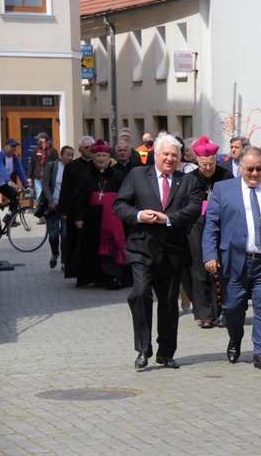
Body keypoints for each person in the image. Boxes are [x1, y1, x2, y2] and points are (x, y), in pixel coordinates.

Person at [113, 134, 203, 369]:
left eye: (175, 155)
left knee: (168, 302)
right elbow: (120, 204)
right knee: (141, 293)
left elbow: (194, 209)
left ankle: (166, 352)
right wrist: (139, 215)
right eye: (166, 154)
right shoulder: (138, 175)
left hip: (172, 252)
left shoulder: (189, 181)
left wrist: (169, 218)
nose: (170, 158)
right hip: (142, 248)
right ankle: (143, 349)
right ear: (156, 155)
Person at [203, 146, 261, 368]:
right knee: (232, 308)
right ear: (241, 168)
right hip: (234, 260)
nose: (255, 174)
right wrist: (210, 254)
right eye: (250, 170)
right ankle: (235, 339)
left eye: (259, 169)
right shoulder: (223, 189)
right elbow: (212, 224)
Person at [186, 136, 233, 328]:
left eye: (211, 164)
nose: (207, 168)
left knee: (220, 269)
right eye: (204, 164)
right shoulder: (190, 179)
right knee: (199, 270)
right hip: (196, 227)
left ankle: (222, 311)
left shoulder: (226, 176)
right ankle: (205, 314)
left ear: (216, 160)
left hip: (221, 226)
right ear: (197, 162)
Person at [68, 139, 128, 289]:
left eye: (104, 156)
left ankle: (114, 276)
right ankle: (97, 277)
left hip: (115, 220)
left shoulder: (118, 176)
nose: (101, 159)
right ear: (93, 158)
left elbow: (128, 197)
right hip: (92, 220)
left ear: (109, 159)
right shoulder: (86, 176)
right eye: (98, 156)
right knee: (94, 248)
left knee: (114, 248)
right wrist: (79, 218)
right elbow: (78, 200)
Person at [40, 145, 74, 269]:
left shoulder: (73, 168)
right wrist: (50, 201)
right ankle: (55, 253)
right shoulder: (52, 166)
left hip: (66, 208)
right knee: (53, 235)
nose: (70, 158)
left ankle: (64, 261)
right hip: (53, 206)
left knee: (65, 235)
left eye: (72, 155)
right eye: (67, 155)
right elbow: (45, 185)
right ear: (61, 155)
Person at [0, 138, 31, 221]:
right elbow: (0, 168)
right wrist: (9, 181)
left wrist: (26, 185)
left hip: (2, 184)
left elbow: (20, 172)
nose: (14, 148)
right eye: (12, 146)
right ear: (5, 146)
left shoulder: (15, 158)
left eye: (15, 146)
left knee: (15, 197)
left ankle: (9, 217)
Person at [28, 132, 58, 200]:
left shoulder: (53, 151)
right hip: (37, 178)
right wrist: (29, 176)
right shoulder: (36, 150)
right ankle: (41, 209)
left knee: (48, 196)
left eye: (39, 139)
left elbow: (55, 165)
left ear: (44, 139)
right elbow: (32, 163)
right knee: (39, 195)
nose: (37, 140)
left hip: (48, 178)